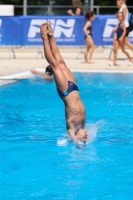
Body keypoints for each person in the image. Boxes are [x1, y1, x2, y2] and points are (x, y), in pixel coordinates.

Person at [40, 20, 88, 144]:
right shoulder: (82, 126)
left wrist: (77, 143)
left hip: (66, 91)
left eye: (84, 136)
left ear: (78, 136)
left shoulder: (72, 129)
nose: (87, 134)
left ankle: (44, 38)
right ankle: (51, 36)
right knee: (61, 61)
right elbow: (84, 139)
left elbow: (71, 137)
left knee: (55, 64)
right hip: (74, 88)